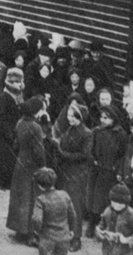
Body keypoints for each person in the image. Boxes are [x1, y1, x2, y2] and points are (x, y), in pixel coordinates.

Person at [7, 97, 47, 247]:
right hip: (32, 166)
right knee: (31, 198)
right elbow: (39, 150)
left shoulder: (20, 122)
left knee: (19, 196)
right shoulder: (36, 127)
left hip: (20, 161)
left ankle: (19, 229)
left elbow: (15, 143)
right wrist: (43, 166)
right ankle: (30, 233)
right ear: (36, 111)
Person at [86, 105, 128, 237]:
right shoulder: (96, 131)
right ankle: (91, 224)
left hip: (110, 171)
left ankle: (105, 226)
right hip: (97, 169)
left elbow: (123, 155)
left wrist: (119, 170)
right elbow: (89, 149)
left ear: (114, 119)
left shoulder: (120, 134)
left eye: (107, 118)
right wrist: (93, 160)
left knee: (106, 200)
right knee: (94, 199)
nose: (103, 120)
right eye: (101, 117)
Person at [56, 102, 92, 252]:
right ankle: (65, 233)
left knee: (75, 205)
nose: (69, 118)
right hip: (65, 170)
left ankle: (76, 238)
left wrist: (63, 154)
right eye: (69, 115)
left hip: (77, 173)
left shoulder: (87, 133)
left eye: (72, 116)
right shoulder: (69, 129)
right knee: (64, 203)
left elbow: (85, 155)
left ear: (80, 117)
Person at [30, 167, 77, 255]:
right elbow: (73, 215)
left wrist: (37, 230)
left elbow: (37, 219)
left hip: (47, 240)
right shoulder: (64, 195)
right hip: (63, 237)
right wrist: (71, 230)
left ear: (39, 185)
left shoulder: (40, 200)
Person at [95, 183, 133, 255]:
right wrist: (99, 232)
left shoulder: (131, 214)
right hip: (109, 251)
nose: (117, 205)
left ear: (126, 202)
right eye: (114, 202)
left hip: (127, 252)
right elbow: (101, 225)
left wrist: (128, 240)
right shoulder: (107, 211)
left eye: (120, 203)